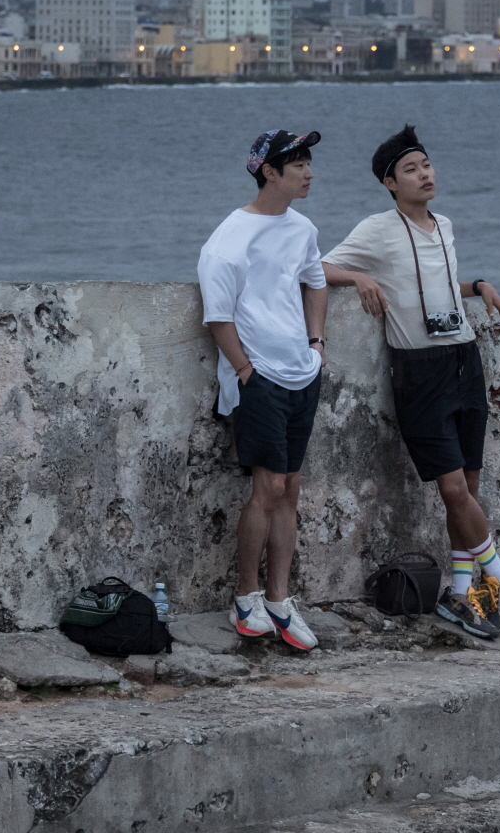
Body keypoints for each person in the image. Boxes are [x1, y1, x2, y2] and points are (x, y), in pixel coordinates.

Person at [322, 124, 500, 638]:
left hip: (463, 359)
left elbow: (432, 286)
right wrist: (359, 277)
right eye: (411, 169)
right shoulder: (377, 229)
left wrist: (476, 286)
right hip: (418, 369)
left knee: (469, 485)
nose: (424, 174)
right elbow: (319, 267)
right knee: (453, 486)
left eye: (427, 165)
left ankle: (461, 594)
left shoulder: (445, 226)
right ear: (390, 182)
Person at [198, 129, 328, 650]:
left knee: (291, 488)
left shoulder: (302, 229)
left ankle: (279, 599)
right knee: (267, 489)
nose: (309, 171)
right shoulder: (230, 239)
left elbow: (315, 280)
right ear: (268, 171)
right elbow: (218, 316)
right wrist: (245, 371)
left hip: (302, 372)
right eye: (296, 163)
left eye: (308, 161)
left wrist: (316, 344)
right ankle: (245, 596)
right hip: (262, 379)